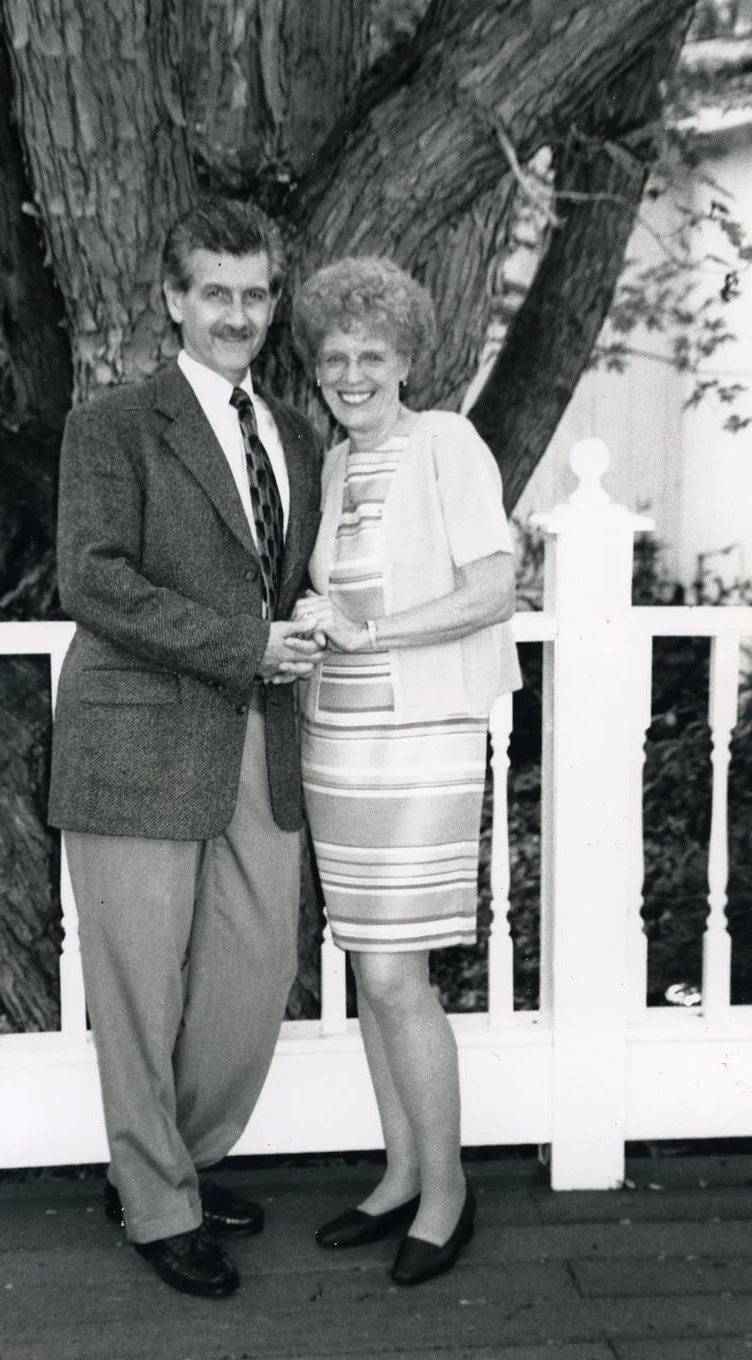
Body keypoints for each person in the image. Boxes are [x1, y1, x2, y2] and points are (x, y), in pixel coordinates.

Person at [48, 199, 324, 1299]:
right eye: (215, 293)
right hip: (136, 735)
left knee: (254, 976)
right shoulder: (112, 426)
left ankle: (177, 1161)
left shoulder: (294, 435)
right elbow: (93, 578)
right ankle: (158, 1201)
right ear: (173, 299)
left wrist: (308, 624)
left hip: (262, 737)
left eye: (255, 295)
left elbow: (283, 578)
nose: (237, 315)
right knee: (138, 991)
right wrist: (245, 645)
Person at [290, 256, 521, 1287]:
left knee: (395, 974)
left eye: (370, 354)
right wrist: (316, 631)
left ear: (405, 360)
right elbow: (335, 600)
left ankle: (446, 1193)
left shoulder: (446, 444)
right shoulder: (336, 465)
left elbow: (493, 588)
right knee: (368, 969)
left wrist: (369, 632)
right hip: (337, 741)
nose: (351, 373)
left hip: (421, 736)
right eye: (334, 356)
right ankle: (397, 1176)